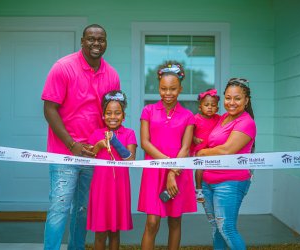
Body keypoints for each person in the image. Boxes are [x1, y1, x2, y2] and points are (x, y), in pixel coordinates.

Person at [41, 24, 120, 250]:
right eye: (91, 39)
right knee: (59, 208)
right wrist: (72, 144)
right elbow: (50, 110)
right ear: (82, 42)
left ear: (106, 42)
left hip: (95, 155)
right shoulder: (63, 68)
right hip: (64, 153)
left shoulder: (112, 75)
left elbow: (112, 116)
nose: (96, 44)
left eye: (101, 39)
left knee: (83, 209)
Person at [138, 61, 197, 250]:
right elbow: (145, 143)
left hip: (178, 172)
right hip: (154, 172)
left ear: (180, 89)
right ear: (159, 88)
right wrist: (169, 164)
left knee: (174, 222)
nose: (168, 93)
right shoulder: (148, 111)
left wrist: (173, 171)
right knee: (152, 222)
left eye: (173, 89)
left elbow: (186, 148)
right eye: (163, 89)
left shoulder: (188, 115)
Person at [196, 78, 256, 250]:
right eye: (228, 98)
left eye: (237, 98)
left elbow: (226, 150)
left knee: (226, 228)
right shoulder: (223, 118)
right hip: (208, 182)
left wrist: (201, 153)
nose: (231, 102)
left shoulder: (246, 122)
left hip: (230, 182)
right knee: (216, 228)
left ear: (246, 100)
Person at [87, 90, 137, 250]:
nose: (112, 117)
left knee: (115, 232)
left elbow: (130, 159)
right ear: (103, 115)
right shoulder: (96, 134)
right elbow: (89, 158)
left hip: (119, 189)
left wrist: (114, 141)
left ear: (123, 116)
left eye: (117, 113)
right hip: (100, 188)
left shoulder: (129, 134)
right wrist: (99, 145)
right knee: (100, 232)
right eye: (108, 113)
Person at [190, 89, 220, 203]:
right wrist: (194, 139)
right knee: (200, 168)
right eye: (206, 105)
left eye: (213, 105)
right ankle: (198, 190)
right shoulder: (196, 118)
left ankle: (213, 188)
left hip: (212, 149)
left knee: (212, 168)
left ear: (217, 108)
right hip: (200, 148)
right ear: (200, 107)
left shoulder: (218, 118)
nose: (210, 107)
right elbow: (189, 133)